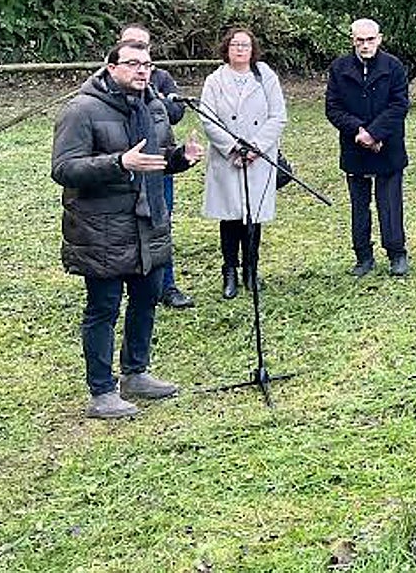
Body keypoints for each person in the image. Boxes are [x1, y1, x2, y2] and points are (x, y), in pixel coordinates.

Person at [51, 39, 204, 419]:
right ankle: (102, 391)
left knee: (146, 300)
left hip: (149, 222)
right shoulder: (81, 111)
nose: (142, 71)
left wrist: (179, 159)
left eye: (147, 64)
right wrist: (119, 162)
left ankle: (136, 373)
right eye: (133, 64)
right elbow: (64, 169)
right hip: (102, 229)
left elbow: (155, 162)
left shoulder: (154, 107)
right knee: (103, 308)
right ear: (110, 66)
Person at [199, 28, 288, 299]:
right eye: (235, 45)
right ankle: (229, 271)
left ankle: (251, 269)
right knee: (230, 216)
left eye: (245, 45)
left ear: (253, 49)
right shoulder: (215, 80)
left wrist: (256, 148)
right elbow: (207, 117)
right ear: (226, 48)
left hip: (258, 157)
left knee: (253, 215)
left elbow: (278, 116)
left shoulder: (265, 76)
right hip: (228, 158)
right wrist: (234, 147)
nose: (240, 49)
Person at [325, 18, 412, 277]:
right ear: (352, 40)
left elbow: (399, 105)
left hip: (388, 146)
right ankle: (363, 257)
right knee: (359, 207)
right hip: (355, 147)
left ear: (380, 38)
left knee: (390, 204)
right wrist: (359, 132)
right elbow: (333, 107)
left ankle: (397, 254)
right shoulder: (339, 68)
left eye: (370, 39)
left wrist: (375, 133)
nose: (365, 44)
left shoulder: (393, 66)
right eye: (360, 40)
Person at [118, 24, 194, 310]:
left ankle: (166, 285)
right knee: (124, 227)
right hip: (122, 167)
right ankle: (125, 283)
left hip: (159, 165)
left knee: (161, 224)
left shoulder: (161, 78)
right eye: (131, 44)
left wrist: (155, 97)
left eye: (143, 45)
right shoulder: (108, 81)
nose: (138, 50)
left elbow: (177, 113)